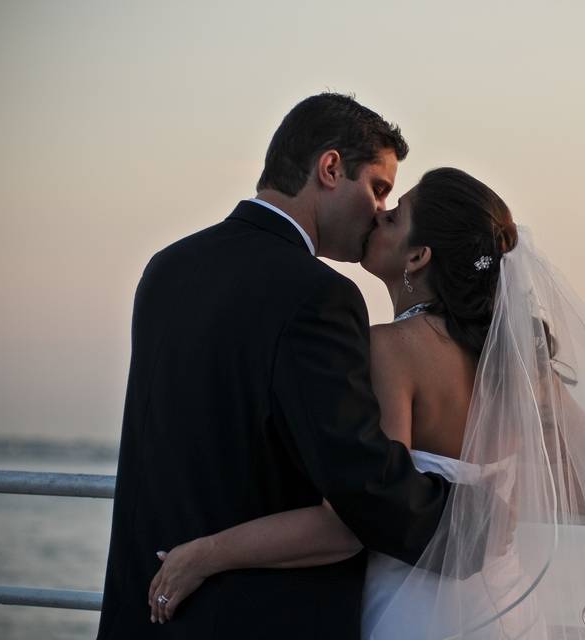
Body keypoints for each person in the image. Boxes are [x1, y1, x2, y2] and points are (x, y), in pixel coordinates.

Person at [145, 168, 585, 639]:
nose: (381, 215)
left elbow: (354, 520)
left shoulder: (391, 349)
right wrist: (495, 492)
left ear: (419, 257)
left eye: (394, 218)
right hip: (503, 609)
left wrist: (203, 554)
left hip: (414, 611)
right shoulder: (517, 363)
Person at [97, 94, 482, 639]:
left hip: (148, 614)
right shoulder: (318, 296)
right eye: (377, 188)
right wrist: (472, 520)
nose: (378, 213)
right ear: (329, 169)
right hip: (257, 619)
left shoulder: (167, 269)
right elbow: (360, 485)